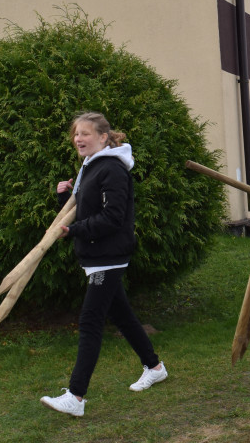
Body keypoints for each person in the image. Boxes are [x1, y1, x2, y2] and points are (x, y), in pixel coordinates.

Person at [40, 112, 166, 417]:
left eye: (86, 133)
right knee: (121, 315)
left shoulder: (112, 170)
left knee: (90, 323)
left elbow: (113, 218)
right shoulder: (90, 168)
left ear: (103, 138)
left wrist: (76, 231)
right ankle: (155, 366)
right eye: (76, 134)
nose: (79, 139)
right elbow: (84, 211)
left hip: (109, 255)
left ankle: (76, 397)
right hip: (96, 255)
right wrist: (63, 199)